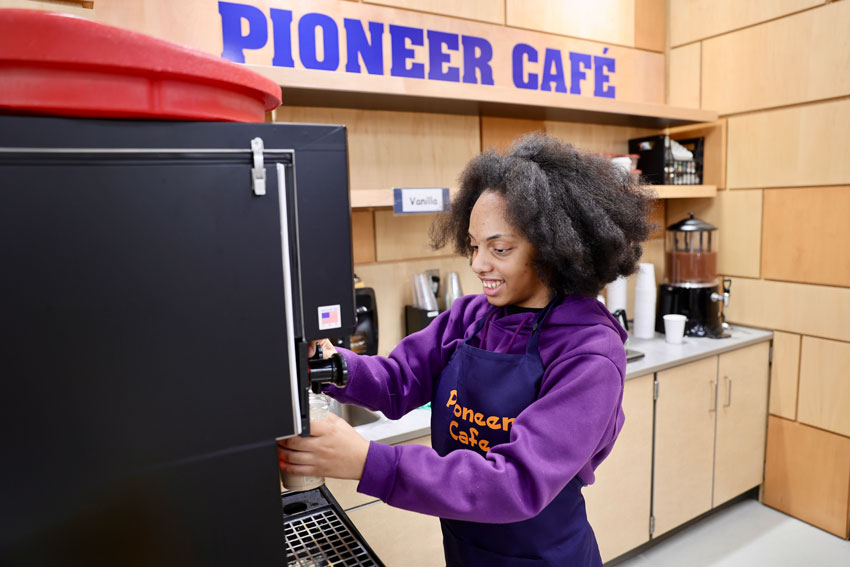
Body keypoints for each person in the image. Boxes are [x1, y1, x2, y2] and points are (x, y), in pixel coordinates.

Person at [278, 133, 654, 566]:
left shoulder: (589, 352)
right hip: (465, 551)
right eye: (474, 246)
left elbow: (516, 483)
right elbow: (399, 382)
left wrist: (369, 462)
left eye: (500, 248)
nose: (477, 264)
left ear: (554, 250)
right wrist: (332, 366)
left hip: (544, 557)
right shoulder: (471, 317)